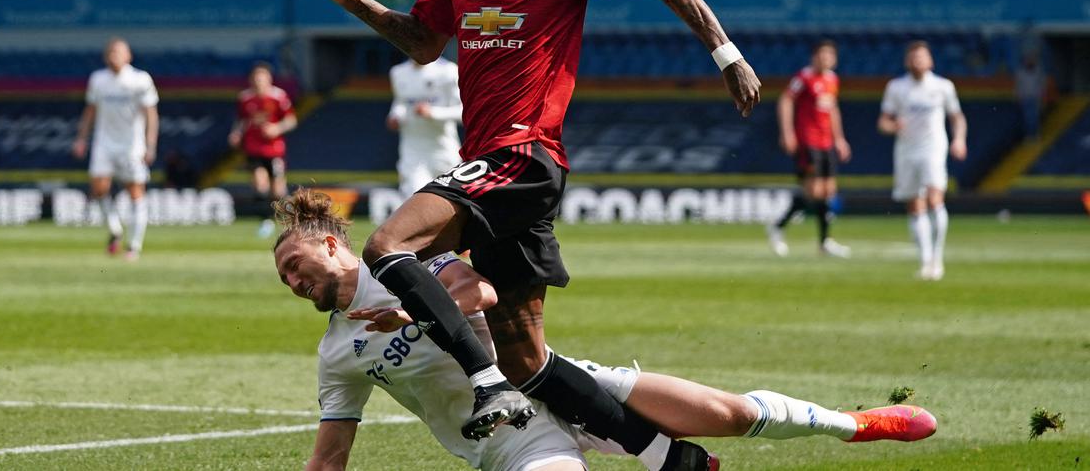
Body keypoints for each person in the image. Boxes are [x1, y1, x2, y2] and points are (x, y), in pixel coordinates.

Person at [311, 0, 761, 462]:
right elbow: (422, 42)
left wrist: (727, 55)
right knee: (525, 357)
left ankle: (484, 383)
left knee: (388, 246)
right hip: (491, 168)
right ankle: (672, 458)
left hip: (522, 156)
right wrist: (354, 1)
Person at [273, 189, 937, 471]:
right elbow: (329, 457)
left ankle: (857, 425)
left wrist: (411, 309)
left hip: (560, 380)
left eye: (296, 266)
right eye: (287, 282)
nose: (295, 283)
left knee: (728, 413)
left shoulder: (407, 262)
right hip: (511, 444)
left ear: (331, 245)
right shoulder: (338, 354)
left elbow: (484, 289)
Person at [878, 41, 967, 281]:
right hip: (907, 150)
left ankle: (937, 258)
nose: (918, 61)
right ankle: (925, 260)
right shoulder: (896, 87)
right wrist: (893, 126)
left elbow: (957, 117)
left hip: (933, 148)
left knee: (934, 197)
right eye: (913, 57)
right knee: (914, 204)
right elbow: (883, 121)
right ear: (907, 62)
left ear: (931, 61)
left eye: (922, 57)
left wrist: (959, 139)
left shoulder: (943, 86)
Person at [71, 38, 159, 260]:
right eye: (111, 51)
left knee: (135, 192)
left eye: (119, 52)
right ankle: (115, 229)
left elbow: (151, 114)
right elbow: (90, 110)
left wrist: (150, 145)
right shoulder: (98, 79)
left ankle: (134, 246)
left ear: (129, 56)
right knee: (99, 189)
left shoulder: (140, 79)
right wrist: (82, 138)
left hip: (131, 146)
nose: (114, 55)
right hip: (104, 143)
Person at [767, 40, 852, 258]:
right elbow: (785, 101)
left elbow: (832, 110)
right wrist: (787, 133)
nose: (825, 59)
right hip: (808, 141)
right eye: (822, 55)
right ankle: (779, 226)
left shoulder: (832, 79)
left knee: (828, 192)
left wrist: (840, 139)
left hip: (827, 143)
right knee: (814, 192)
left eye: (829, 55)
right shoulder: (804, 78)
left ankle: (823, 242)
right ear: (814, 57)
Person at [228, 62, 297, 238]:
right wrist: (236, 133)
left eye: (262, 78)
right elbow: (242, 120)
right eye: (256, 78)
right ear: (251, 80)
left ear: (269, 79)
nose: (259, 81)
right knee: (260, 184)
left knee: (278, 192)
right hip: (253, 148)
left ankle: (297, 217)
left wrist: (276, 128)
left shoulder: (278, 97)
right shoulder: (245, 98)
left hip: (274, 149)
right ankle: (266, 221)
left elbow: (291, 120)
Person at [388, 56, 463, 196]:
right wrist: (394, 117)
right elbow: (400, 103)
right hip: (412, 151)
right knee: (415, 198)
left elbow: (463, 112)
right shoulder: (398, 72)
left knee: (452, 200)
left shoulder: (448, 70)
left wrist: (433, 112)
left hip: (443, 150)